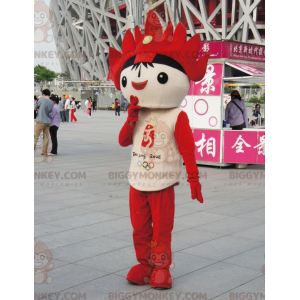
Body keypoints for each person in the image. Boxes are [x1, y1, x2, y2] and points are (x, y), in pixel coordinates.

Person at [107, 11, 209, 289]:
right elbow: (123, 141)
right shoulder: (136, 112)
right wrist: (130, 118)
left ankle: (161, 267)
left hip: (162, 181)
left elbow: (188, 148)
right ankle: (144, 264)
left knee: (161, 229)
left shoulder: (177, 115)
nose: (137, 83)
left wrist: (194, 177)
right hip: (136, 181)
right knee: (140, 228)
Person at [34, 89, 54, 155]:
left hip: (40, 120)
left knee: (35, 136)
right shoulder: (51, 102)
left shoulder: (41, 100)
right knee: (46, 137)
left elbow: (34, 108)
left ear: (43, 94)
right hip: (47, 121)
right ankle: (44, 151)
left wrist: (38, 109)